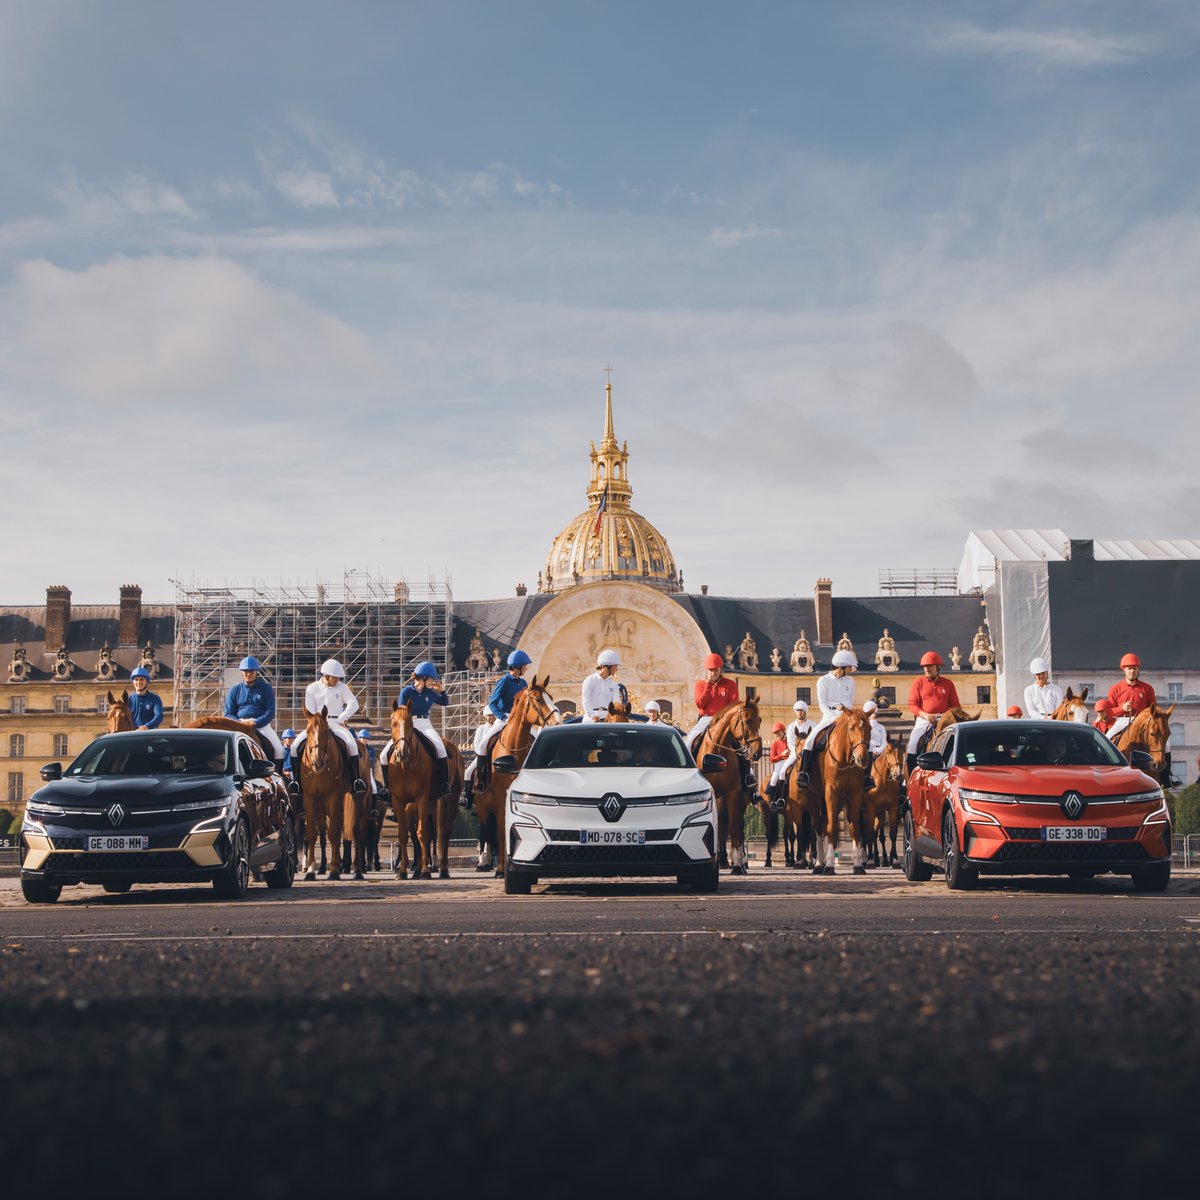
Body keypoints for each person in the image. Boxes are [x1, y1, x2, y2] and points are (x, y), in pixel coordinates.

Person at [288, 658, 366, 797]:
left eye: (338, 678)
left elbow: (354, 704)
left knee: (352, 745)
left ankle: (355, 780)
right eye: (335, 677)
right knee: (294, 747)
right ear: (327, 676)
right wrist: (318, 723)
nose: (337, 680)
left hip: (336, 723)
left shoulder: (342, 687)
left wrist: (342, 718)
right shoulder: (312, 688)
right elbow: (310, 711)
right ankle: (296, 782)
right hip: (317, 726)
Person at [384, 661, 451, 796]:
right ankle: (386, 788)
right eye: (432, 679)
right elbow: (401, 713)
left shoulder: (430, 693)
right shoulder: (406, 691)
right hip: (408, 725)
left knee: (441, 749)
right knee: (383, 755)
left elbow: (445, 702)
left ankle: (444, 784)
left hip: (425, 724)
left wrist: (442, 691)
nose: (433, 682)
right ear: (424, 678)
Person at [1104, 652, 1174, 782]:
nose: (1132, 672)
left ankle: (1167, 778)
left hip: (1144, 723)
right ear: (1124, 670)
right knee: (1106, 739)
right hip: (1123, 721)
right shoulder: (1115, 689)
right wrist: (1122, 709)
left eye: (1134, 669)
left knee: (1167, 745)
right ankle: (1104, 772)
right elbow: (1109, 711)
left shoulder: (1147, 688)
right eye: (1129, 669)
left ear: (1138, 670)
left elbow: (1154, 709)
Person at [796, 649, 859, 787]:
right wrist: (832, 717)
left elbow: (850, 703)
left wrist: (846, 716)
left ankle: (866, 776)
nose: (851, 670)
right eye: (849, 667)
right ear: (842, 667)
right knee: (809, 741)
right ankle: (804, 773)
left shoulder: (850, 681)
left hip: (846, 717)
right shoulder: (823, 681)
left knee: (863, 740)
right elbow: (822, 704)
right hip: (829, 716)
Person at [223, 656, 285, 772]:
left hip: (261, 725)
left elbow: (270, 711)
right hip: (239, 723)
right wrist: (240, 722)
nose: (248, 674)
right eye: (245, 671)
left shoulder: (266, 688)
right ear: (241, 672)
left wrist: (256, 722)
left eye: (251, 671)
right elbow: (228, 713)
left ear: (256, 671)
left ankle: (280, 777)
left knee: (279, 750)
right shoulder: (234, 690)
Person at [905, 651, 961, 773]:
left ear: (937, 667)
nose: (927, 669)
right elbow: (912, 705)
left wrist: (948, 717)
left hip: (944, 718)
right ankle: (909, 777)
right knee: (913, 742)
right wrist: (927, 715)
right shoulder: (918, 683)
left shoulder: (948, 683)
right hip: (924, 719)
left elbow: (956, 706)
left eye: (929, 666)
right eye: (925, 666)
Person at [685, 653, 739, 755]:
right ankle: (688, 766)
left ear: (720, 670)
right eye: (711, 670)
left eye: (716, 670)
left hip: (724, 719)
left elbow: (733, 705)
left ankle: (747, 770)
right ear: (706, 671)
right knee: (689, 740)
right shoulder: (700, 685)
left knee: (741, 744)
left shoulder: (730, 684)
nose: (713, 673)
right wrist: (708, 686)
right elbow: (700, 704)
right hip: (705, 719)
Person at [461, 706, 497, 807]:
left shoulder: (500, 728)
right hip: (483, 757)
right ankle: (468, 799)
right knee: (468, 772)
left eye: (493, 715)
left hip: (497, 757)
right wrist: (483, 753)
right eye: (489, 715)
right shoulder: (481, 729)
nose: (492, 717)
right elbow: (477, 744)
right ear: (485, 717)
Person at [582, 649, 625, 722]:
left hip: (607, 720)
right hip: (590, 720)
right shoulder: (590, 680)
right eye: (615, 666)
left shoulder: (614, 684)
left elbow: (616, 703)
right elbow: (586, 701)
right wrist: (593, 716)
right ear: (608, 666)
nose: (616, 669)